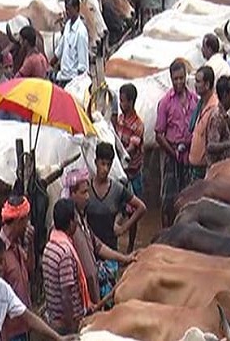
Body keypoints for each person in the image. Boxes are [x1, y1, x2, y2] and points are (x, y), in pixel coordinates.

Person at [65, 168, 135, 304]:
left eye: (88, 192)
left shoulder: (81, 217)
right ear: (72, 194)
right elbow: (90, 272)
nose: (87, 197)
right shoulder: (73, 226)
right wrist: (96, 302)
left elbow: (98, 245)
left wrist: (124, 258)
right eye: (83, 192)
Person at [155, 60, 198, 227]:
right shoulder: (165, 102)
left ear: (186, 77)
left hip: (189, 154)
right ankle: (167, 231)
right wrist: (173, 154)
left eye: (181, 78)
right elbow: (159, 134)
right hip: (171, 154)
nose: (179, 82)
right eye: (175, 79)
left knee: (188, 195)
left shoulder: (194, 100)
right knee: (168, 198)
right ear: (171, 79)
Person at [42, 199, 90, 334]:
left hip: (54, 316)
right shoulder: (65, 253)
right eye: (75, 219)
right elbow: (66, 295)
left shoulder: (50, 245)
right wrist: (71, 327)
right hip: (65, 322)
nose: (77, 222)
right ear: (70, 223)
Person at [89, 142, 146, 254]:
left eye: (109, 165)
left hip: (111, 251)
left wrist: (123, 228)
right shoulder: (87, 188)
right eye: (102, 164)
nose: (105, 169)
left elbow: (141, 207)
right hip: (90, 250)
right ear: (96, 162)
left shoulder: (117, 189)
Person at [0, 196, 34, 341]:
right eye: (26, 220)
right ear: (19, 221)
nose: (29, 225)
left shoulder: (16, 246)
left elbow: (30, 269)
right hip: (10, 332)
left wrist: (30, 245)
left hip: (24, 327)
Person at [51, 0, 89, 87]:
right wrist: (50, 64)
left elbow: (82, 65)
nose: (67, 12)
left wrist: (77, 86)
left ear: (76, 8)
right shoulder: (68, 25)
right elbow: (60, 47)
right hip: (62, 76)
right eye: (66, 9)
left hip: (72, 80)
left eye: (69, 9)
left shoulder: (81, 32)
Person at [115, 84, 145, 200]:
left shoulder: (138, 125)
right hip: (122, 171)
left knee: (136, 201)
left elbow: (131, 148)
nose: (120, 104)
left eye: (122, 101)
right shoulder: (120, 119)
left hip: (133, 172)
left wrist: (118, 155)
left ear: (131, 102)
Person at [189, 66, 219, 179]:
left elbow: (212, 144)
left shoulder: (214, 109)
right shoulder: (200, 104)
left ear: (207, 85)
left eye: (198, 81)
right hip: (195, 166)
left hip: (204, 169)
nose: (195, 85)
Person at [206, 75, 230, 165]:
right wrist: (229, 144)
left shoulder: (224, 115)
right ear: (225, 95)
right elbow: (211, 146)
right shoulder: (217, 117)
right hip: (217, 168)